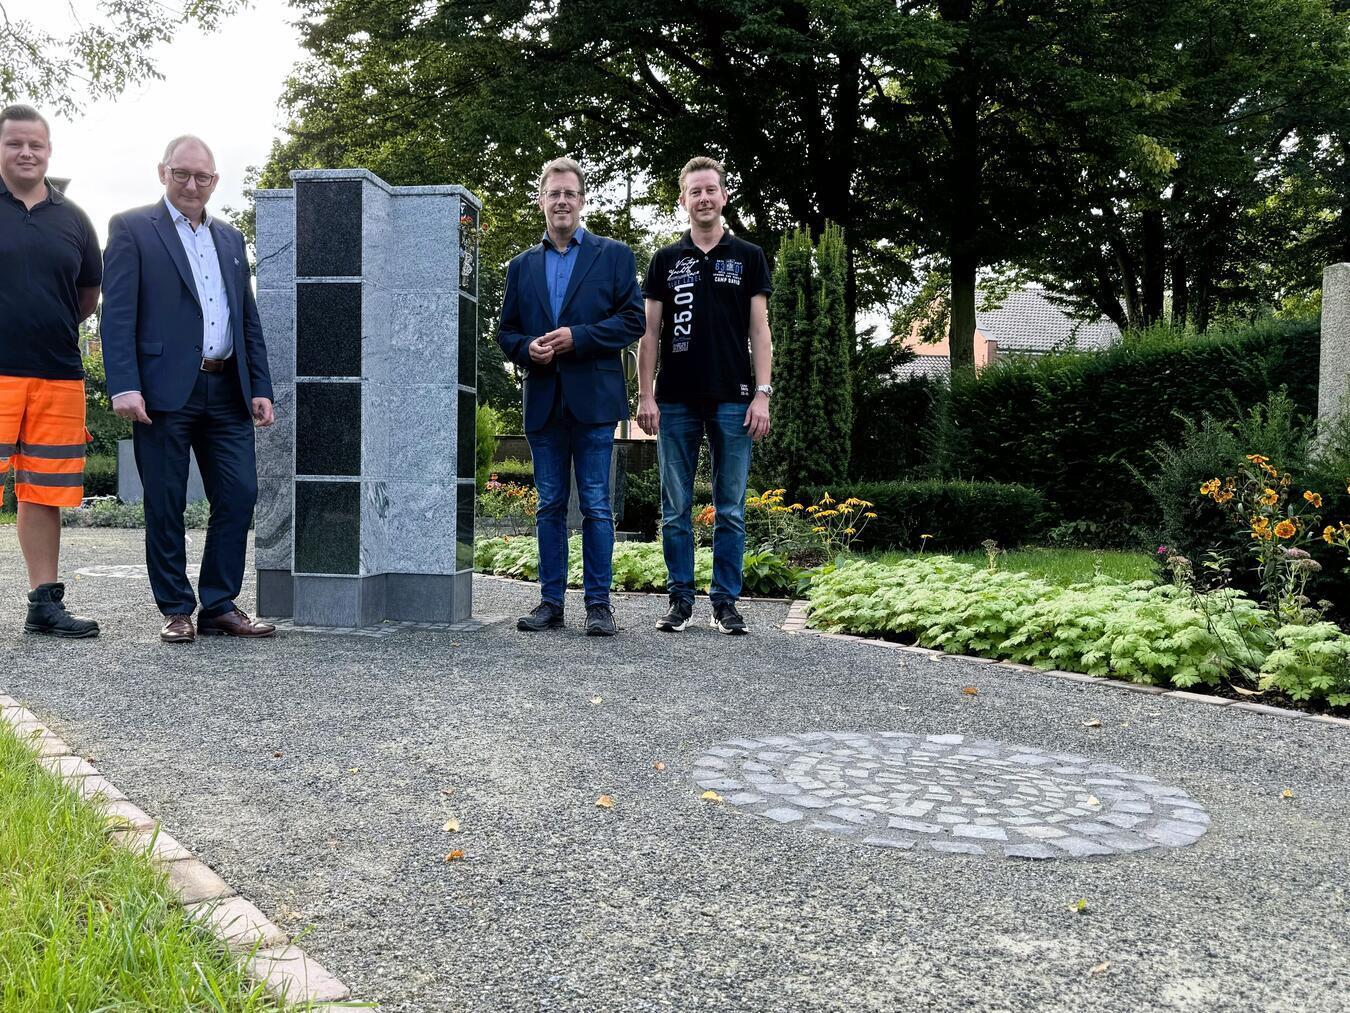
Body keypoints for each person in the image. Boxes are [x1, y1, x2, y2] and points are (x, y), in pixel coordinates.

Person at [101, 135, 276, 643]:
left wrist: (259, 384)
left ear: (215, 181)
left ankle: (219, 604)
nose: (192, 185)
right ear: (163, 172)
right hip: (159, 393)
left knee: (240, 494)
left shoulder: (230, 238)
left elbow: (247, 318)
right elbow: (117, 315)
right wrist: (124, 384)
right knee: (165, 501)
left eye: (202, 177)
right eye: (182, 174)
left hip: (227, 389)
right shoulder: (133, 228)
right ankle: (176, 608)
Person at [497, 157, 645, 636]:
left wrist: (576, 337)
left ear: (582, 201)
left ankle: (599, 605)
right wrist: (527, 349)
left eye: (570, 193)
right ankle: (550, 602)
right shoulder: (521, 267)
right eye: (553, 193)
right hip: (543, 399)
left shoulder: (615, 256)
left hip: (595, 401)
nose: (562, 201)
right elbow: (506, 333)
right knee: (549, 505)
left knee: (598, 506)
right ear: (542, 201)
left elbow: (632, 321)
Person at [636, 156, 773, 635]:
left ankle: (726, 603)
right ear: (683, 200)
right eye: (695, 191)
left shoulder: (748, 256)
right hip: (674, 400)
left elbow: (760, 329)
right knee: (675, 508)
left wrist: (762, 394)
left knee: (731, 508)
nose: (704, 198)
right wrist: (645, 395)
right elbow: (649, 334)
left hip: (735, 399)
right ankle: (680, 601)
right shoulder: (665, 260)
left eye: (711, 189)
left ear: (724, 195)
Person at [0, 104, 102, 638]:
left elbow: (86, 295)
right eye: (15, 143)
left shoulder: (73, 218)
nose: (25, 152)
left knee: (42, 491)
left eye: (35, 145)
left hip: (58, 374)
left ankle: (44, 603)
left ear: (48, 150)